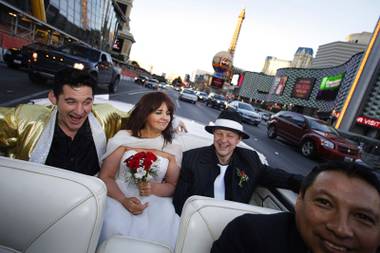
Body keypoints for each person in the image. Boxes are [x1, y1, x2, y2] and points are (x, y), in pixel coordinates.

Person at [211, 161, 380, 253]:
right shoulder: (250, 235)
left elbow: (275, 175)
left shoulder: (248, 161)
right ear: (300, 200)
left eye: (363, 217)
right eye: (324, 202)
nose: (341, 229)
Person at [173, 110, 303, 215]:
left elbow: (280, 177)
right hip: (197, 220)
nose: (223, 140)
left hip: (233, 224)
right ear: (213, 135)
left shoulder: (250, 160)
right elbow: (180, 202)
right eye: (219, 134)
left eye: (230, 136)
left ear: (238, 140)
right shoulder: (191, 159)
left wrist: (308, 184)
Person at [0, 68, 126, 175]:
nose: (79, 111)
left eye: (87, 102)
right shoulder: (24, 118)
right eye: (71, 102)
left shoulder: (108, 119)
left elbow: (140, 118)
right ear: (53, 98)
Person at [99, 92, 182, 250]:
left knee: (164, 232)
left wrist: (154, 188)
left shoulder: (173, 148)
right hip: (117, 195)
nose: (165, 117)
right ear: (145, 114)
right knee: (111, 225)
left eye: (168, 113)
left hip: (155, 200)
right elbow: (106, 176)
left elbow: (172, 185)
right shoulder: (123, 138)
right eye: (158, 112)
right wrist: (123, 200)